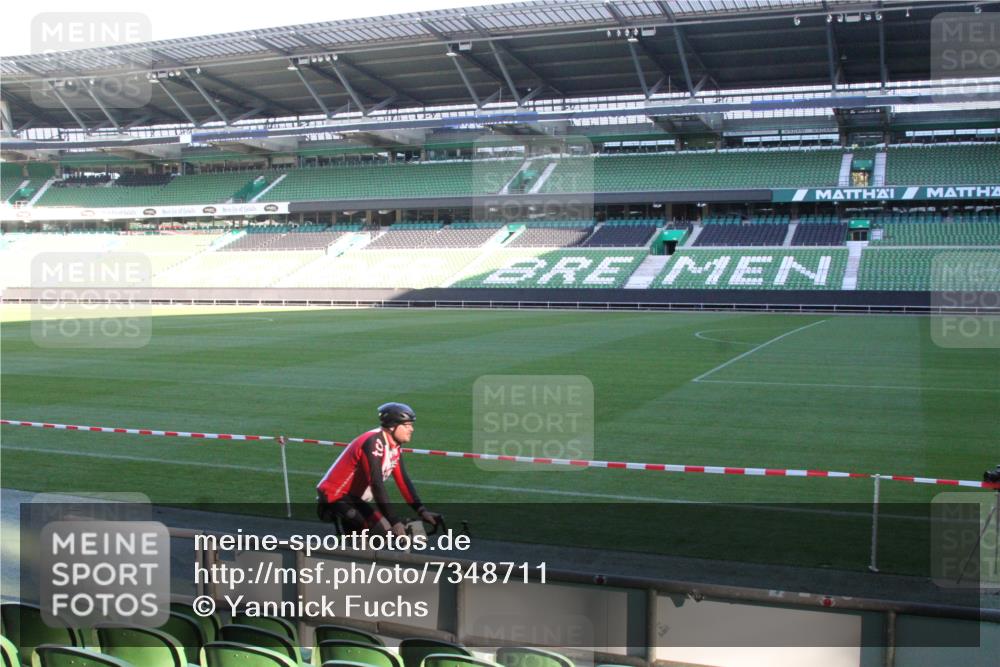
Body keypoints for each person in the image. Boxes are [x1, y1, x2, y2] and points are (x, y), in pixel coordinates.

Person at [316, 402, 440, 536]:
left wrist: (421, 510)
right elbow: (376, 483)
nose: (411, 429)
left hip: (353, 498)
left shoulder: (394, 446)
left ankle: (354, 547)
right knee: (379, 530)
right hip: (335, 496)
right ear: (392, 427)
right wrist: (394, 521)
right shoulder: (373, 442)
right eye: (407, 425)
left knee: (388, 531)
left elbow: (403, 481)